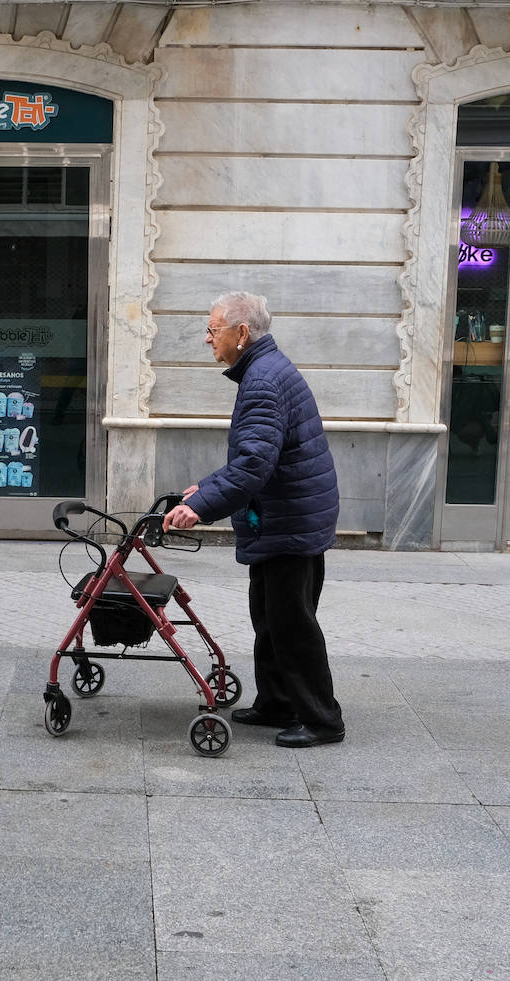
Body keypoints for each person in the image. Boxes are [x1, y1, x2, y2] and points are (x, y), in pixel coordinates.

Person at [163, 291, 345, 748]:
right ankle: (278, 702)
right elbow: (254, 456)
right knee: (268, 616)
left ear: (241, 333)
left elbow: (252, 467)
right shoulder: (265, 371)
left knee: (291, 623)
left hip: (289, 521)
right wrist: (204, 488)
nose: (208, 339)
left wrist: (200, 507)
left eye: (212, 329)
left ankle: (323, 720)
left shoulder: (263, 380)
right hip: (286, 516)